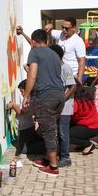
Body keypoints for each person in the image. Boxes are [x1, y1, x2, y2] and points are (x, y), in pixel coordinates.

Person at [23, 29, 66, 176]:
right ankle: (48, 159)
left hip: (46, 97)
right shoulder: (53, 53)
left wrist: (26, 95)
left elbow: (32, 74)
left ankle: (53, 167)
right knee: (50, 127)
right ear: (46, 41)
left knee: (47, 131)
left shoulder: (34, 52)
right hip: (60, 95)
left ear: (33, 41)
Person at [49, 44, 77, 167]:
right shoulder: (52, 68)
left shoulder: (66, 68)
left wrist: (62, 99)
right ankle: (56, 155)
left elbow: (73, 86)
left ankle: (65, 157)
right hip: (54, 106)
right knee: (55, 132)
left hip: (65, 107)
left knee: (63, 132)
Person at [7, 80, 45, 157]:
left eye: (22, 91)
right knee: (24, 145)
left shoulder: (29, 100)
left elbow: (22, 114)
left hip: (27, 128)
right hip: (27, 128)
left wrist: (13, 105)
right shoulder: (29, 99)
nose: (21, 94)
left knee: (24, 150)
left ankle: (46, 147)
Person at [45, 18, 87, 82]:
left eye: (66, 28)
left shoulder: (78, 41)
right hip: (60, 74)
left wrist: (79, 79)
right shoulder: (61, 34)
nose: (64, 30)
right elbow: (47, 31)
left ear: (74, 28)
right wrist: (51, 25)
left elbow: (82, 60)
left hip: (72, 74)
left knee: (70, 91)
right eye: (62, 27)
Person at [70, 85, 98, 154]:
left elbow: (66, 117)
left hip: (91, 127)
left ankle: (87, 144)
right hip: (95, 125)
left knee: (65, 134)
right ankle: (82, 143)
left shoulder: (76, 102)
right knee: (70, 130)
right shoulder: (84, 97)